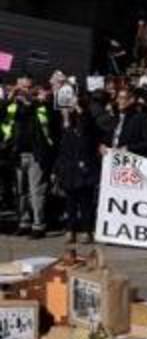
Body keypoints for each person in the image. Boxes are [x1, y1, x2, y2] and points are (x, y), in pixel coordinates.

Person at [0, 77, 56, 238]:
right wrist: (10, 97)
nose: (24, 91)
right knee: (20, 191)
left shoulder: (40, 106)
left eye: (28, 88)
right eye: (21, 88)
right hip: (16, 155)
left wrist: (34, 100)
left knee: (36, 191)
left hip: (36, 155)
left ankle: (38, 225)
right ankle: (23, 222)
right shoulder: (12, 106)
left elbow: (51, 117)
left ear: (34, 88)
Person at [54, 102, 100, 244]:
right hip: (69, 171)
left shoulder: (88, 131)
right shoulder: (67, 130)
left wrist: (79, 109)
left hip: (85, 171)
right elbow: (62, 151)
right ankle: (70, 230)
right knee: (70, 203)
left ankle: (86, 231)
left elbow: (88, 125)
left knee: (85, 203)